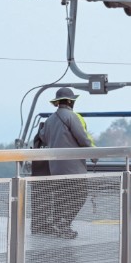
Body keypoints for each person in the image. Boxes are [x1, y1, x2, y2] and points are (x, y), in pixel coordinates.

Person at [38, 86, 94, 239]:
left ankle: (58, 224)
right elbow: (83, 138)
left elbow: (43, 137)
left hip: (55, 167)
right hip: (73, 168)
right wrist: (94, 155)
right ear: (70, 101)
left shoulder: (49, 120)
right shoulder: (72, 117)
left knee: (62, 196)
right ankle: (64, 224)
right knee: (80, 195)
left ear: (58, 102)